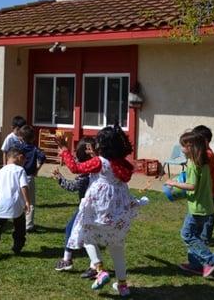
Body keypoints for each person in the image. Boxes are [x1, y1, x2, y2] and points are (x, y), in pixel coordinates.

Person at [55, 124, 146, 298]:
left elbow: (75, 168)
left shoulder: (98, 162)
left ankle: (100, 269)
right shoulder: (122, 165)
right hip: (118, 213)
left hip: (99, 209)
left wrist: (65, 149)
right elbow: (108, 167)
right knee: (117, 248)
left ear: (102, 145)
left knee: (86, 235)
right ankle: (123, 286)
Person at [165, 131, 214, 278]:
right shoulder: (204, 162)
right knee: (195, 235)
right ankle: (195, 265)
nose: (181, 149)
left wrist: (174, 183)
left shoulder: (194, 164)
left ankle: (210, 259)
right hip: (206, 206)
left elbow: (192, 186)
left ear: (190, 147)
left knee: (187, 235)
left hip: (198, 208)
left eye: (183, 146)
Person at [53, 137, 96, 277]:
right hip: (97, 206)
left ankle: (68, 260)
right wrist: (65, 153)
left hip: (86, 207)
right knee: (90, 235)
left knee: (72, 230)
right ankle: (92, 265)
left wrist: (60, 179)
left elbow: (73, 186)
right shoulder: (95, 165)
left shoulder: (85, 175)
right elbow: (75, 164)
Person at [0, 146, 31, 261]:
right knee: (20, 225)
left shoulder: (0, 171)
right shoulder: (20, 170)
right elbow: (23, 186)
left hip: (0, 205)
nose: (24, 162)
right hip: (16, 205)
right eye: (24, 159)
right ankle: (17, 246)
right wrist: (27, 201)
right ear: (19, 157)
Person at [193, 125, 214, 244]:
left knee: (208, 214)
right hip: (209, 190)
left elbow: (201, 171)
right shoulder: (205, 153)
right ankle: (202, 236)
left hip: (212, 190)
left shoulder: (207, 155)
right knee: (205, 213)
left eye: (195, 139)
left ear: (204, 140)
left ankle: (205, 238)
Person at [17, 124, 46, 232]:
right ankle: (28, 225)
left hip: (19, 175)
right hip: (29, 176)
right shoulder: (34, 149)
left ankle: (18, 222)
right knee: (31, 201)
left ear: (21, 137)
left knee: (19, 199)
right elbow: (43, 157)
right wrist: (37, 169)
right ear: (33, 138)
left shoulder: (19, 148)